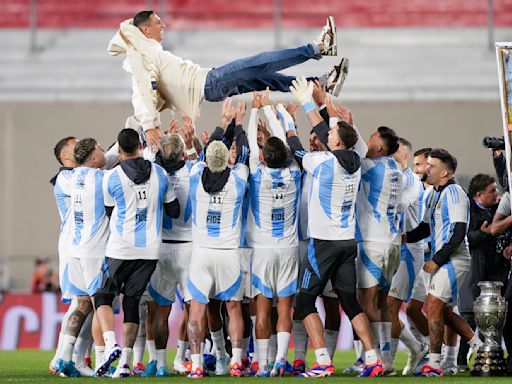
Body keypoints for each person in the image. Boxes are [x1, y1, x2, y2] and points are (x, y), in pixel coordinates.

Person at [107, 10, 348, 151]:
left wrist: (153, 123)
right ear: (146, 30)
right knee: (262, 62)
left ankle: (322, 83)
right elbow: (140, 89)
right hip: (211, 82)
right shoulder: (141, 54)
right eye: (158, 22)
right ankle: (318, 48)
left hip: (210, 88)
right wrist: (149, 125)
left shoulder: (144, 49)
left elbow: (130, 35)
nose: (164, 25)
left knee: (265, 77)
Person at [287, 77, 382, 378]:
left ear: (337, 140)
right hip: (346, 242)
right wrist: (325, 103)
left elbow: (299, 145)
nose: (327, 135)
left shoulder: (323, 163)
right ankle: (373, 357)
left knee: (303, 303)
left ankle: (323, 361)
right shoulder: (356, 158)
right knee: (349, 302)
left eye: (332, 133)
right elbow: (332, 131)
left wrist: (299, 111)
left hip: (324, 243)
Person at [93, 128, 180, 378]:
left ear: (119, 150)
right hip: (150, 251)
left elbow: (110, 213)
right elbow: (173, 209)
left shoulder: (111, 178)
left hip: (120, 248)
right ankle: (124, 365)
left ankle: (111, 345)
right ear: (141, 146)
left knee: (103, 296)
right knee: (132, 303)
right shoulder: (161, 174)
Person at [406, 149, 483, 376]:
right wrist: (403, 237)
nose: (426, 169)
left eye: (431, 166)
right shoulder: (432, 194)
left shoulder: (455, 193)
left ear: (445, 172)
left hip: (454, 259)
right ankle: (480, 347)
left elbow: (459, 232)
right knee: (445, 312)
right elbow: (424, 228)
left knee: (432, 307)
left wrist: (436, 260)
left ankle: (435, 364)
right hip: (442, 259)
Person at [245, 91, 301, 377]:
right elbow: (283, 143)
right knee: (284, 308)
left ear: (264, 157)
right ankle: (280, 361)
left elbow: (251, 145)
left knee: (263, 310)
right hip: (289, 249)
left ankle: (263, 365)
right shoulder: (294, 174)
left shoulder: (257, 174)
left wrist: (256, 111)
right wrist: (273, 111)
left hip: (263, 251)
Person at [186, 137, 249, 378]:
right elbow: (244, 156)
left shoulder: (195, 177)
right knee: (233, 309)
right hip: (228, 254)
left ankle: (197, 365)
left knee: (197, 311)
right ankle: (235, 363)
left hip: (201, 253)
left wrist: (195, 139)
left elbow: (195, 158)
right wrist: (241, 124)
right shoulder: (239, 177)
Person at [51, 138, 109, 378]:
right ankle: (63, 358)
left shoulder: (73, 178)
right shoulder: (65, 179)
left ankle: (74, 358)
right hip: (76, 247)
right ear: (66, 156)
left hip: (78, 246)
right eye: (75, 147)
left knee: (86, 305)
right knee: (84, 303)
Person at [352, 122, 403, 375]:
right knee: (382, 303)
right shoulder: (398, 171)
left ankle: (376, 359)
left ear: (380, 146)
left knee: (367, 302)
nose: (368, 140)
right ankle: (387, 360)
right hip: (393, 243)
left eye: (372, 138)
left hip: (373, 242)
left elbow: (356, 149)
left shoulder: (370, 168)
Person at [386, 138, 429, 372]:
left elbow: (398, 206)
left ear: (404, 155)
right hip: (391, 248)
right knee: (384, 307)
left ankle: (390, 363)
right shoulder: (394, 178)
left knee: (390, 307)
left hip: (408, 251)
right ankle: (415, 348)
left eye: (394, 153)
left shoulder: (411, 181)